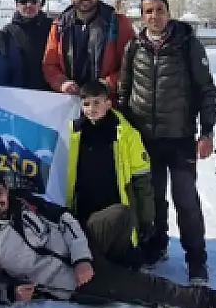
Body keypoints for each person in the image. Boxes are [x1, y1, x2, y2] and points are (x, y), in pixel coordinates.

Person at [0, 173, 216, 308]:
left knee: (120, 214)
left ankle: (126, 264)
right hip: (73, 283)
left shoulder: (24, 201)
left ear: (7, 190)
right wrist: (10, 293)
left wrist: (81, 258)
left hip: (82, 250)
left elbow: (66, 217)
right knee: (149, 288)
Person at [118, 0, 216, 284]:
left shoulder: (187, 44)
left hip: (180, 137)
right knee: (153, 199)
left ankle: (196, 259)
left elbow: (206, 89)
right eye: (148, 11)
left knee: (185, 199)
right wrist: (123, 129)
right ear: (142, 16)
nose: (154, 16)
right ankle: (156, 245)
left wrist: (207, 131)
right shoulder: (133, 47)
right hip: (145, 140)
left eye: (160, 10)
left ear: (169, 13)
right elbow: (124, 91)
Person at [63, 80, 155, 268]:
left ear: (108, 103)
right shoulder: (73, 133)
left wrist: (146, 220)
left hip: (116, 210)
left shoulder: (127, 135)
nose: (91, 109)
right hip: (84, 213)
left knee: (127, 267)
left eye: (97, 103)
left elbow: (142, 182)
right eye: (86, 104)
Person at [43, 0, 134, 97]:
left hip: (105, 100)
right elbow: (49, 64)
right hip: (70, 99)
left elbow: (131, 64)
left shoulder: (117, 23)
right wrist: (62, 83)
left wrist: (107, 84)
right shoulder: (60, 25)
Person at [3, 0, 54, 91]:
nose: (29, 5)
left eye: (33, 1)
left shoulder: (53, 27)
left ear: (40, 4)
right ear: (17, 5)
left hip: (49, 91)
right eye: (23, 1)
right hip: (19, 90)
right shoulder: (8, 31)